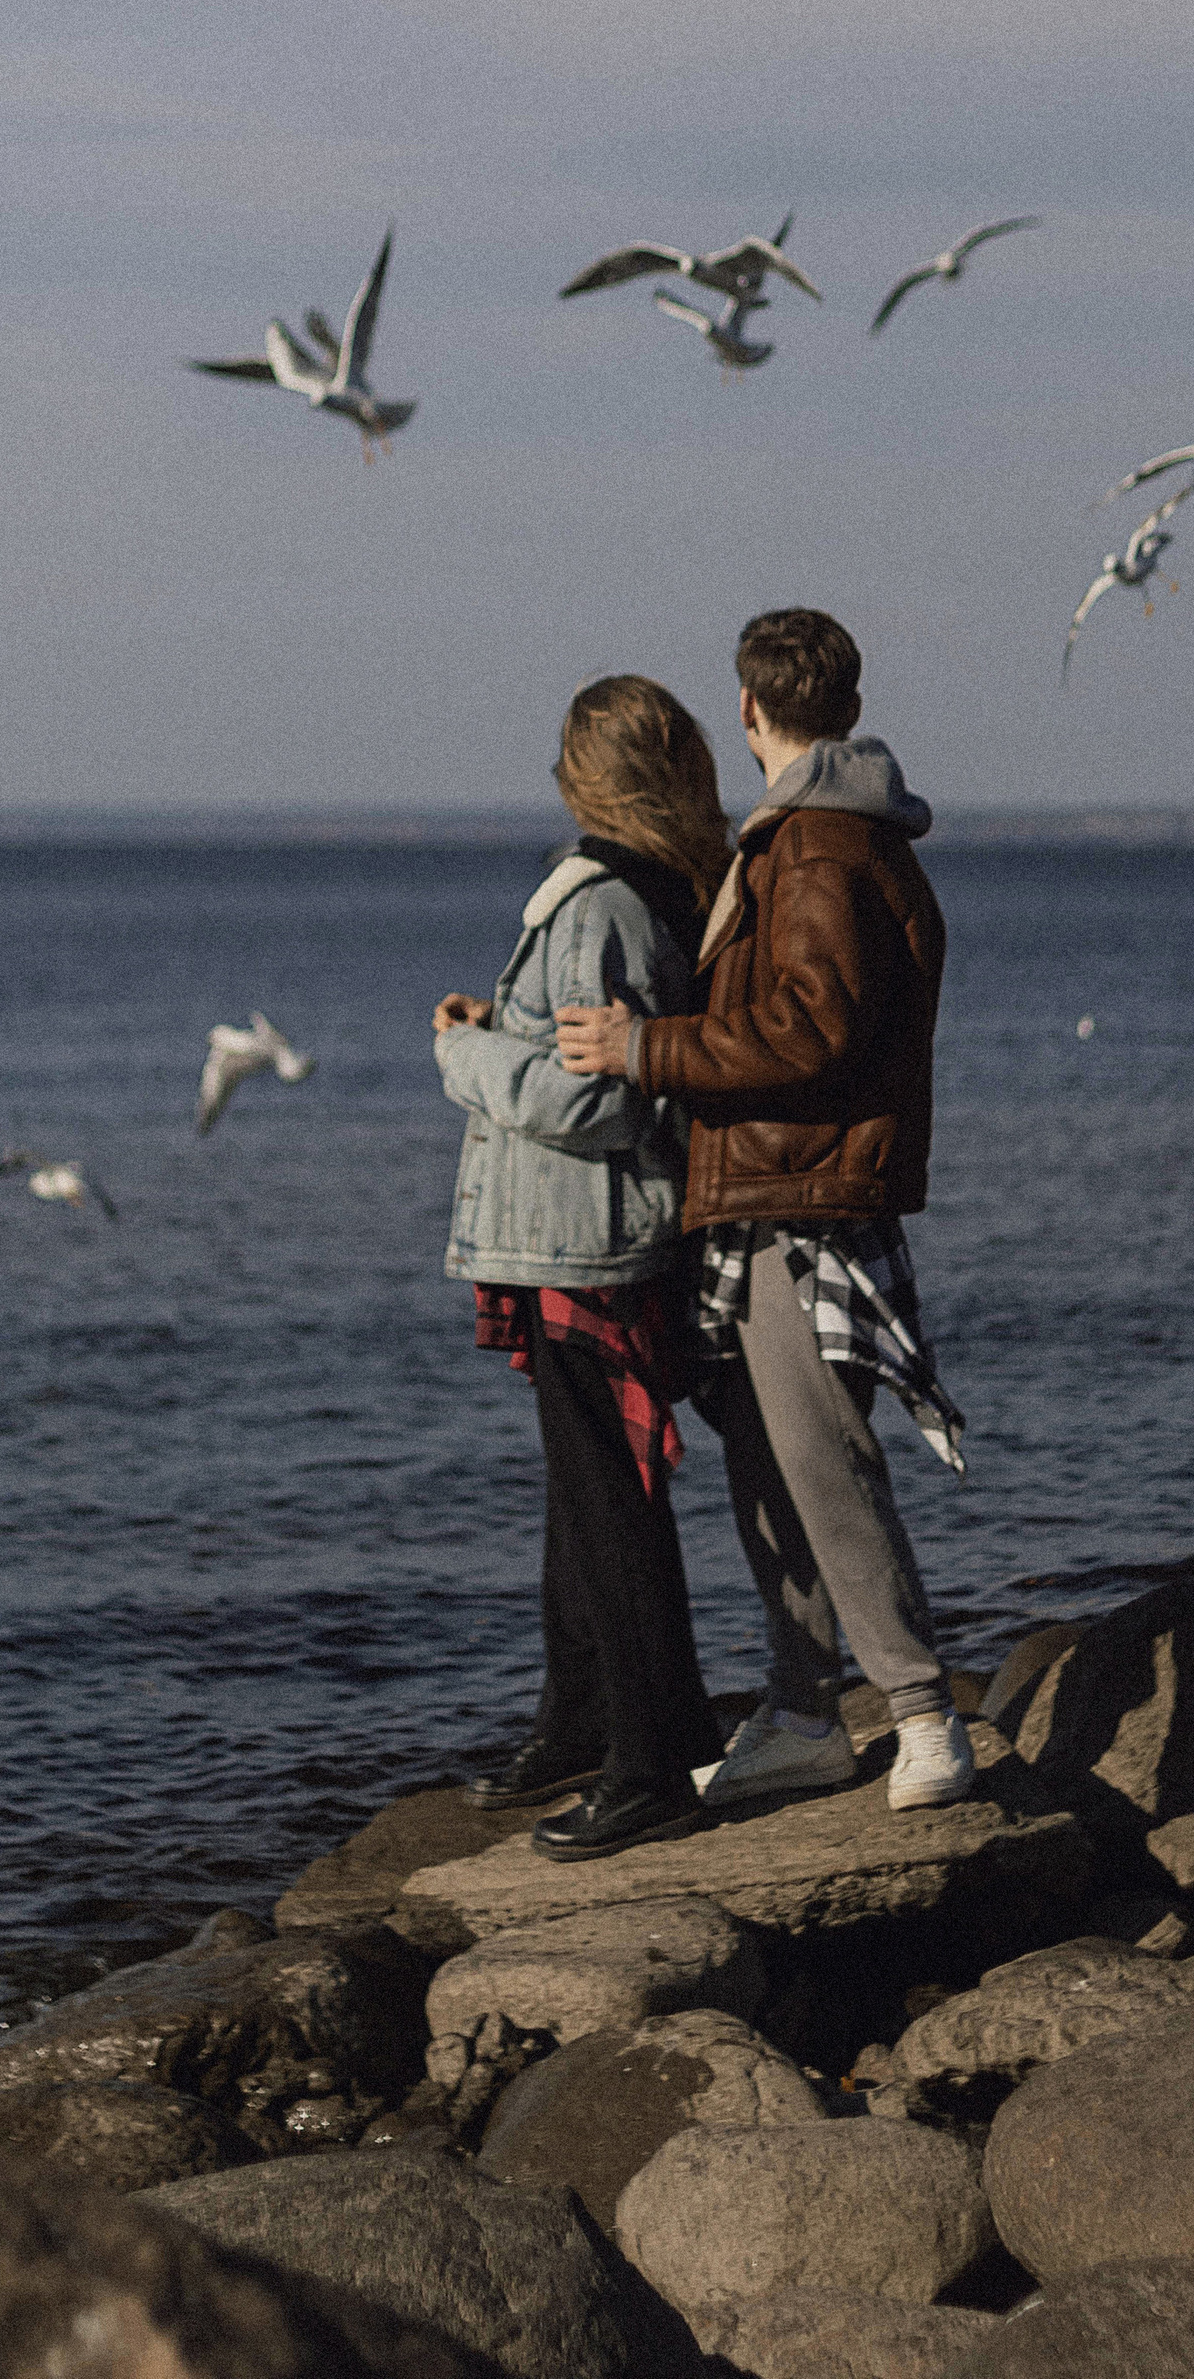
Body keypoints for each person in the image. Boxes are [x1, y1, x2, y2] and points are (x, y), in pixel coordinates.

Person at [557, 606, 974, 1816]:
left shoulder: (820, 846)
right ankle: (801, 1711)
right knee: (767, 1466)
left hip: (802, 1201)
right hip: (777, 1193)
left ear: (747, 711)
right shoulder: (822, 836)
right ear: (840, 701)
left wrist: (642, 1044)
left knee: (818, 1462)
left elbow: (810, 1026)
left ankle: (920, 1713)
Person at [434, 674, 733, 1860]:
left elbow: (596, 1099)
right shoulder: (665, 885)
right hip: (580, 1233)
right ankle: (580, 1716)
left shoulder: (599, 900)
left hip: (582, 1236)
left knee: (611, 1497)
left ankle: (651, 1757)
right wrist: (501, 1028)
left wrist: (464, 1055)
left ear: (586, 773)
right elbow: (581, 1047)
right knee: (583, 1490)